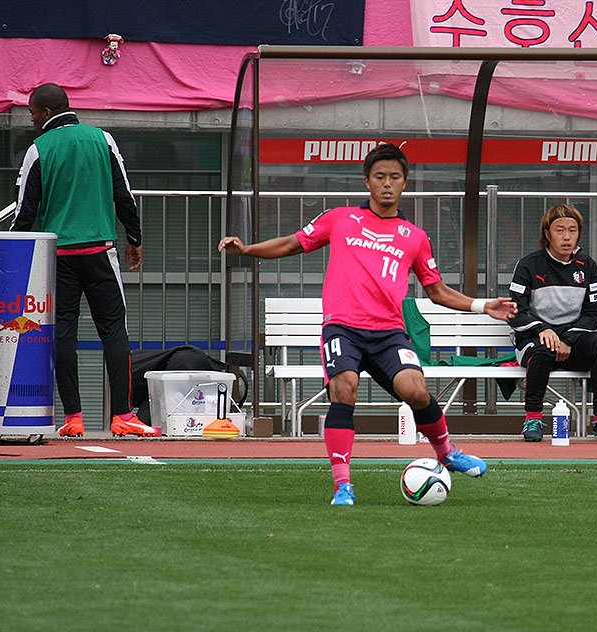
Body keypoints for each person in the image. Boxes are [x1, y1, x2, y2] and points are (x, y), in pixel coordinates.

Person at [218, 143, 517, 505]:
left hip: (389, 334)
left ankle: (447, 453)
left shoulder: (414, 236)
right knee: (344, 388)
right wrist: (246, 250)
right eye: (379, 176)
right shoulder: (340, 219)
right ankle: (342, 485)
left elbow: (436, 290)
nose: (387, 183)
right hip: (342, 328)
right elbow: (293, 243)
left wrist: (483, 305)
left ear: (404, 182)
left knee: (416, 391)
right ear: (367, 181)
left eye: (394, 177)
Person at [11, 83, 157, 438]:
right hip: (100, 251)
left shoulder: (38, 149)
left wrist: (12, 256)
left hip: (58, 255)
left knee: (63, 333)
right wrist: (135, 238)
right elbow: (124, 194)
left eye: (32, 112)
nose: (31, 119)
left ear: (47, 112)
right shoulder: (102, 139)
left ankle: (73, 417)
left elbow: (24, 212)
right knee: (115, 331)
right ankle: (122, 415)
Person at [508, 204, 597, 442]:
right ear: (547, 234)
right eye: (559, 230)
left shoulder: (588, 266)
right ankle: (533, 419)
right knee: (541, 350)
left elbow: (594, 312)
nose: (567, 236)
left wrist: (568, 339)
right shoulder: (528, 265)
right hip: (536, 339)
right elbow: (516, 312)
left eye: (572, 230)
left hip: (573, 340)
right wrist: (542, 329)